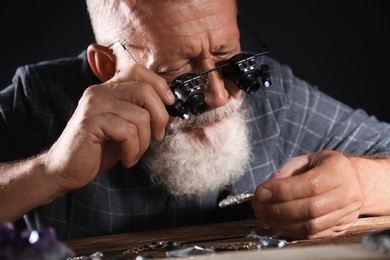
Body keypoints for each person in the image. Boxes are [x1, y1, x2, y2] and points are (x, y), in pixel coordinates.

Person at [1, 0, 390, 241]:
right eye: (180, 76)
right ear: (107, 66)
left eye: (227, 58)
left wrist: (357, 183)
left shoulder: (277, 101)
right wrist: (48, 172)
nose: (219, 96)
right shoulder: (40, 101)